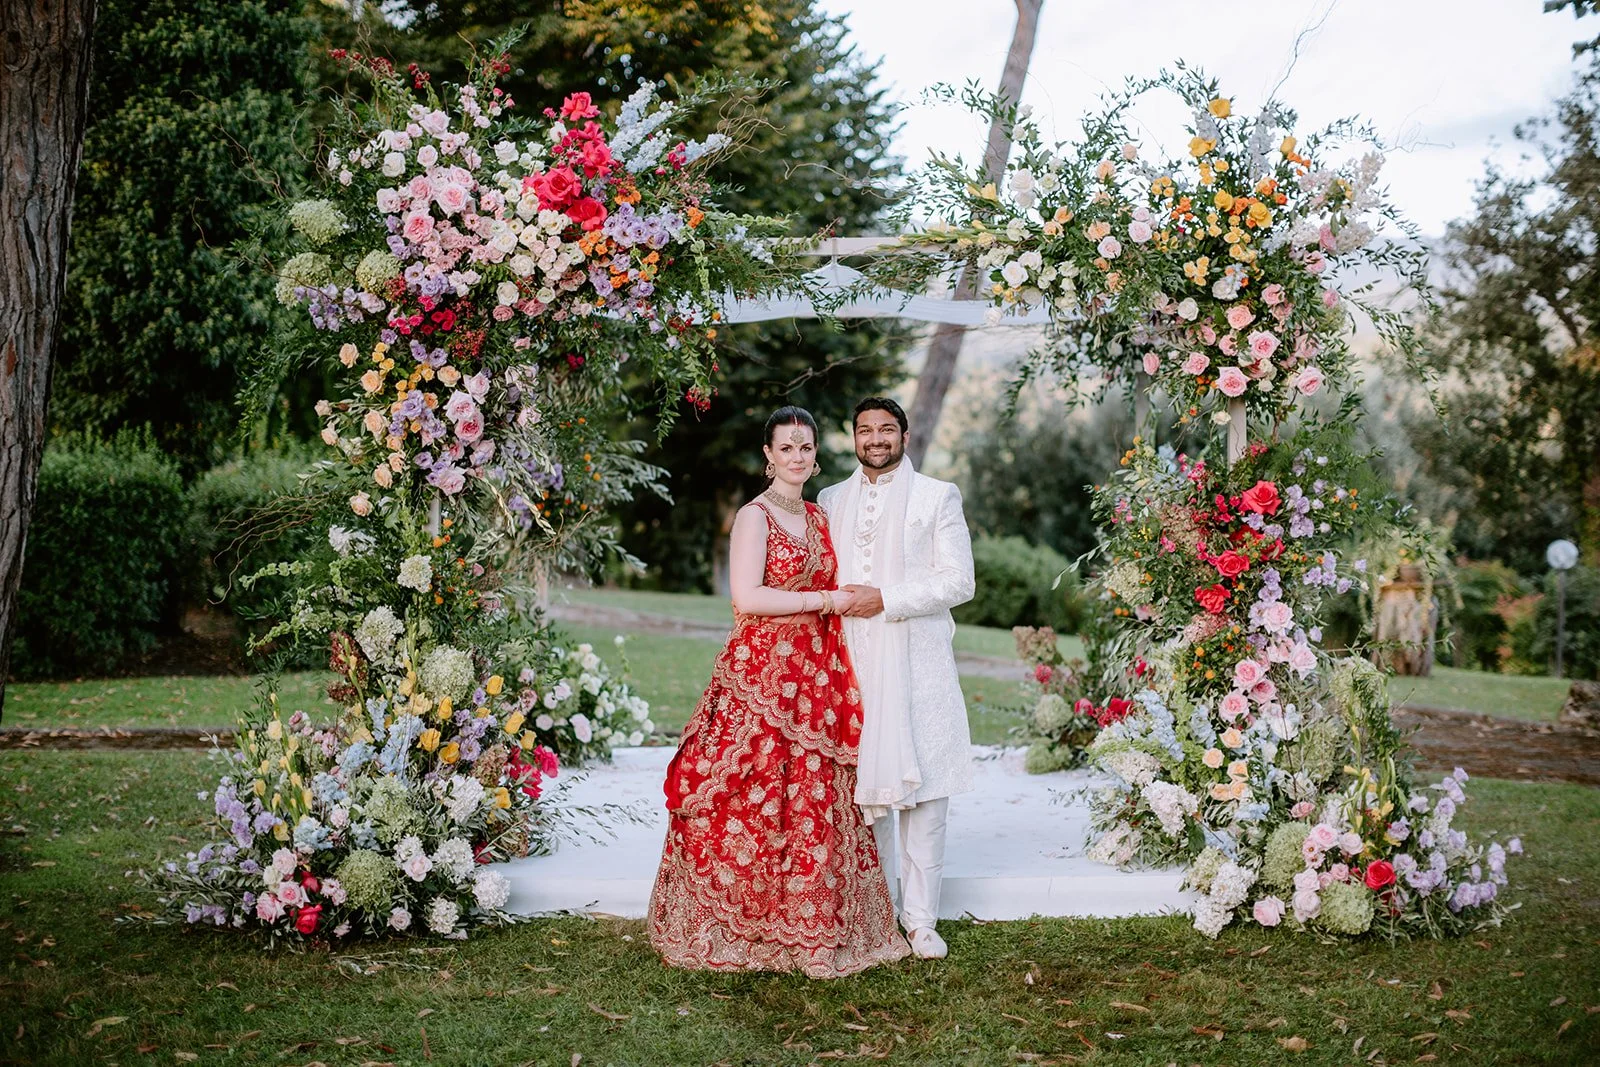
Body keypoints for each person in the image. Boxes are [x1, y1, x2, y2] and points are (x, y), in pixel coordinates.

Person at [648, 406, 910, 977]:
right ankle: (743, 925)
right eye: (786, 448)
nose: (797, 457)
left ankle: (810, 924)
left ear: (816, 456)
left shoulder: (818, 519)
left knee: (811, 798)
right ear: (768, 455)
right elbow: (747, 597)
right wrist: (824, 601)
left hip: (813, 680)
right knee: (752, 791)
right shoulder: (754, 517)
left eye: (806, 448)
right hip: (761, 675)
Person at [818, 397, 975, 960]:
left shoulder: (937, 496)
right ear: (853, 437)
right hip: (853, 664)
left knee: (926, 794)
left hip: (916, 661)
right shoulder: (830, 499)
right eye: (865, 430)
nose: (876, 438)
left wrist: (886, 599)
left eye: (887, 429)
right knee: (864, 795)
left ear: (905, 436)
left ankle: (923, 921)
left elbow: (959, 582)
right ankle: (874, 910)